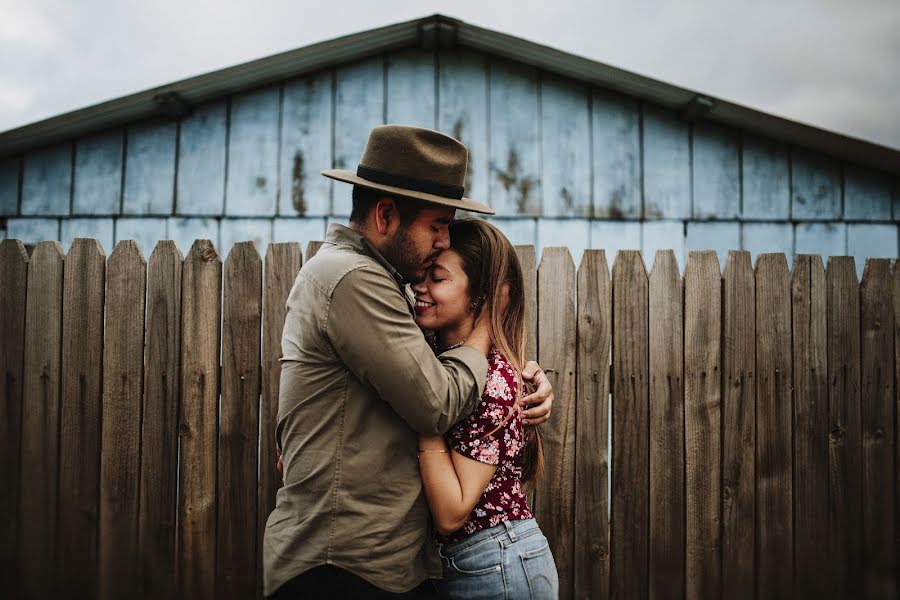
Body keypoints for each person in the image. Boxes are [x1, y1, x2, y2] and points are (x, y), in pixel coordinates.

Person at [263, 125, 554, 599]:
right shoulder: (354, 279)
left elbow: (421, 369)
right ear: (385, 214)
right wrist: (487, 330)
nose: (444, 239)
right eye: (437, 224)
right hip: (344, 565)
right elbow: (435, 402)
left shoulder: (384, 279)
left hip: (379, 561)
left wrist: (520, 373)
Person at [413, 218, 559, 599]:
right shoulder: (436, 356)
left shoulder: (493, 380)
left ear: (479, 296)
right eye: (421, 275)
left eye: (438, 278)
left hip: (497, 563)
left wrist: (422, 410)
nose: (419, 288)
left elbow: (450, 513)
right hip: (472, 562)